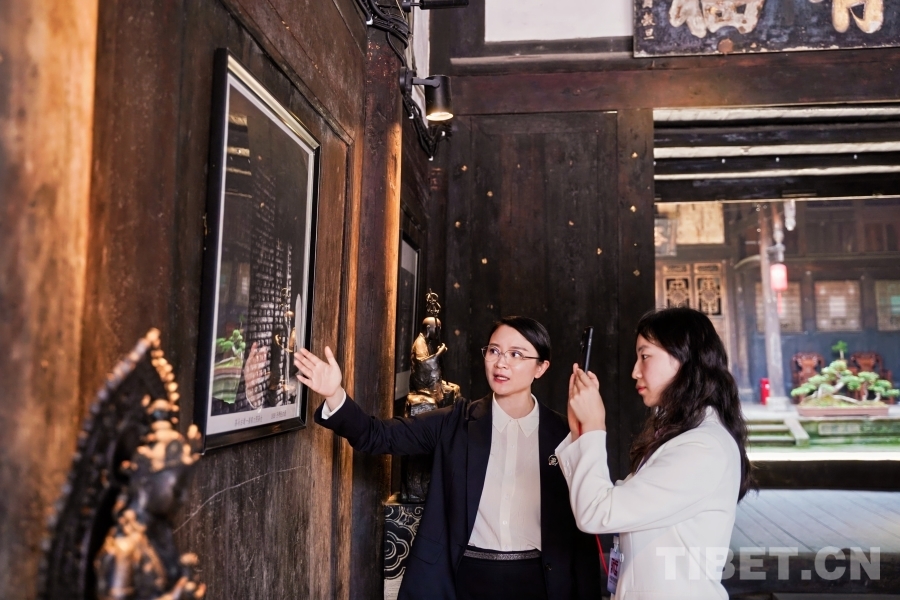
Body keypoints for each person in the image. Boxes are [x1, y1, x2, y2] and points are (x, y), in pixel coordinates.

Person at [294, 316, 601, 600]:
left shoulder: (564, 433)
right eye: (494, 351)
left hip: (541, 581)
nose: (501, 363)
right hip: (466, 577)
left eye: (516, 354)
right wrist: (334, 394)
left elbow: (586, 518)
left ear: (541, 368)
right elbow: (376, 435)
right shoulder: (455, 422)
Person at [558, 307, 753, 599]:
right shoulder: (683, 437)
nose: (635, 371)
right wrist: (581, 432)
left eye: (645, 356)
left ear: (683, 359)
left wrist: (595, 427)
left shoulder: (703, 447)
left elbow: (599, 512)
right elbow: (613, 503)